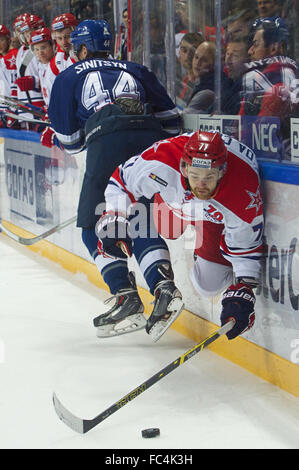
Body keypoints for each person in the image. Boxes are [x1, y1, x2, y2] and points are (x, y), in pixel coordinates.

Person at [48, 19, 182, 341]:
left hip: (106, 141)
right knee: (141, 220)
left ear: (80, 49)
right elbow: (173, 122)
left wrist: (61, 134)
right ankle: (164, 288)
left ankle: (126, 296)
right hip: (148, 140)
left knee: (91, 228)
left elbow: (71, 142)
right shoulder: (136, 68)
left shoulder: (67, 76)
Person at [96, 131, 263, 341]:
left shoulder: (242, 188)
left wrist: (243, 290)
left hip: (212, 215)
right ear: (183, 167)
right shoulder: (163, 160)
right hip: (176, 202)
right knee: (168, 230)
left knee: (208, 284)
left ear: (222, 171)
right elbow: (121, 181)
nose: (201, 184)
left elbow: (246, 249)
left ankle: (204, 233)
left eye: (209, 176)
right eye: (195, 175)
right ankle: (187, 215)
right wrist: (115, 215)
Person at [176, 32, 204, 106]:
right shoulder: (182, 82)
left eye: (193, 51)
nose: (188, 55)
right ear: (179, 53)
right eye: (184, 50)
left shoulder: (206, 83)